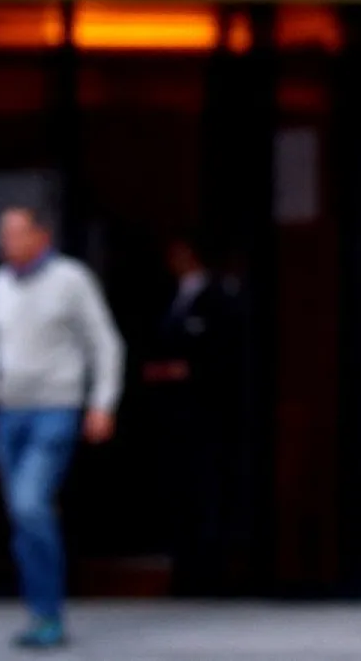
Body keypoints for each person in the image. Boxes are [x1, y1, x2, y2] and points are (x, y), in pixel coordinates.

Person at [0, 206, 125, 650]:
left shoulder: (71, 280)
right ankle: (38, 611)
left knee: (30, 505)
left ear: (40, 237)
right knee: (23, 515)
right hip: (8, 413)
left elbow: (104, 342)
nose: (5, 242)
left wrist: (102, 403)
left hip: (56, 409)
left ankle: (48, 613)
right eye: (2, 235)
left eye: (15, 234)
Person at [140, 235, 244, 594]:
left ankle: (210, 571)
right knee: (178, 490)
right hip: (173, 417)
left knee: (208, 490)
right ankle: (184, 567)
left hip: (208, 415)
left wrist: (188, 371)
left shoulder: (221, 296)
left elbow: (228, 354)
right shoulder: (168, 296)